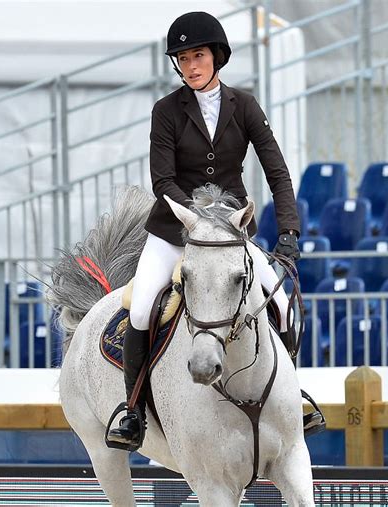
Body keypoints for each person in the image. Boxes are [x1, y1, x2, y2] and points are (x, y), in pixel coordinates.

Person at [106, 11, 325, 450]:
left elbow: (277, 172)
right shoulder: (166, 111)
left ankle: (290, 396)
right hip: (174, 232)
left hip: (230, 239)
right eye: (183, 58)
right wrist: (198, 220)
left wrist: (289, 231)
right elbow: (162, 181)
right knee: (145, 306)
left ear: (217, 56)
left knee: (280, 303)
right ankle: (133, 411)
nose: (190, 65)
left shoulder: (244, 106)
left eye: (198, 55)